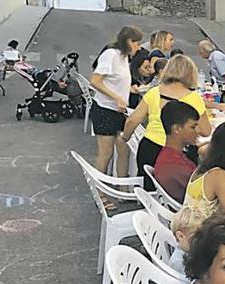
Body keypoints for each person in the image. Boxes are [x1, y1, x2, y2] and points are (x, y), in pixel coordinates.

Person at [122, 54, 211, 189]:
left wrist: (125, 137)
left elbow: (133, 120)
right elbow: (206, 131)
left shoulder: (154, 92)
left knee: (149, 189)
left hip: (150, 147)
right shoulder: (193, 98)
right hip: (179, 151)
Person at [89, 26, 143, 175]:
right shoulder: (110, 54)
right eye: (137, 44)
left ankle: (123, 187)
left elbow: (117, 80)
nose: (139, 48)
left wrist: (129, 89)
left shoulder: (125, 57)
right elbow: (95, 80)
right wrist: (117, 97)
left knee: (124, 150)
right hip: (105, 109)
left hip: (120, 111)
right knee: (106, 153)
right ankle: (100, 191)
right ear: (128, 42)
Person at [153, 100, 200, 203]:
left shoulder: (171, 155)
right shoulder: (173, 165)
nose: (198, 131)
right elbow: (206, 189)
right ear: (177, 129)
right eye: (193, 127)